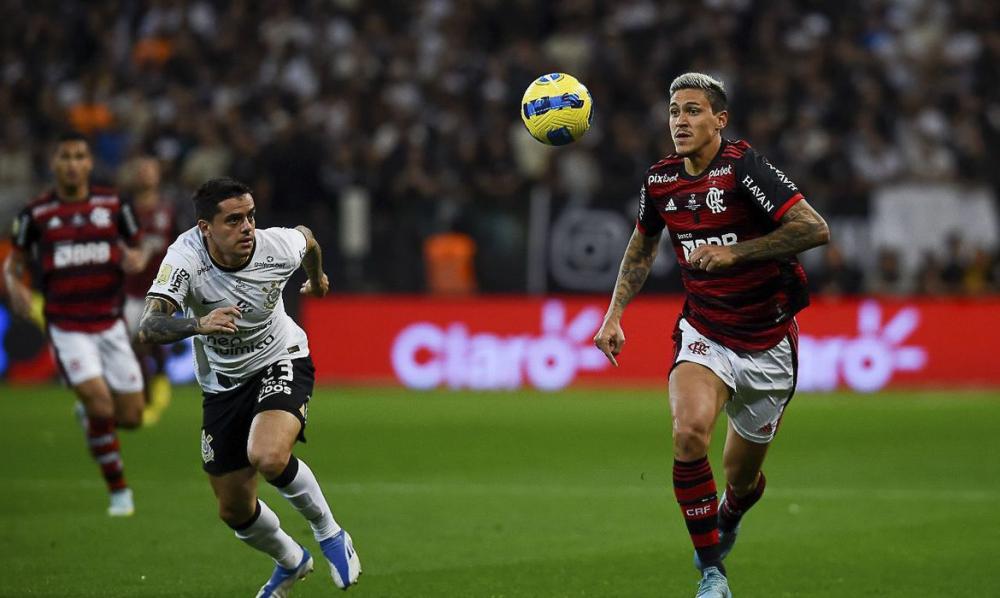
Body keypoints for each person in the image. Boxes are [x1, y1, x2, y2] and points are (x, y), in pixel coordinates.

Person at [593, 73, 830, 598]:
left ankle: (731, 512)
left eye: (693, 110)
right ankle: (712, 573)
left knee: (741, 480)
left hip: (768, 342)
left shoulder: (744, 168)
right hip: (705, 332)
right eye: (674, 111)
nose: (680, 121)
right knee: (688, 434)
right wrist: (613, 315)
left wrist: (736, 252)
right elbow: (641, 247)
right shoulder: (660, 181)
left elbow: (814, 228)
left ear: (719, 120)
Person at [136, 177, 361, 596]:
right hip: (222, 384)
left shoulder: (275, 246)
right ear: (205, 228)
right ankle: (291, 561)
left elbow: (308, 240)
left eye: (251, 216)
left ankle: (330, 533)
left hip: (281, 357)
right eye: (234, 220)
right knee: (234, 508)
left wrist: (317, 279)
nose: (247, 228)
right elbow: (149, 325)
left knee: (268, 455)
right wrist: (199, 323)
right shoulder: (185, 258)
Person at [3, 131, 150, 517]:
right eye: (65, 156)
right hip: (67, 326)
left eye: (79, 156)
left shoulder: (114, 205)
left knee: (132, 417)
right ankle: (119, 492)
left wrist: (135, 258)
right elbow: (14, 262)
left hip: (110, 323)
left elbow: (138, 245)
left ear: (89, 163)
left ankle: (89, 416)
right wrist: (14, 286)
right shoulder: (35, 214)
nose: (72, 164)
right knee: (102, 404)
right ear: (54, 163)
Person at [120, 156, 179, 424]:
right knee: (132, 349)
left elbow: (181, 245)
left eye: (150, 170)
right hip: (128, 291)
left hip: (160, 288)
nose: (145, 175)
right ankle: (145, 396)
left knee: (145, 341)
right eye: (141, 170)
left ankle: (158, 386)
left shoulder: (168, 210)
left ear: (158, 175)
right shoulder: (124, 212)